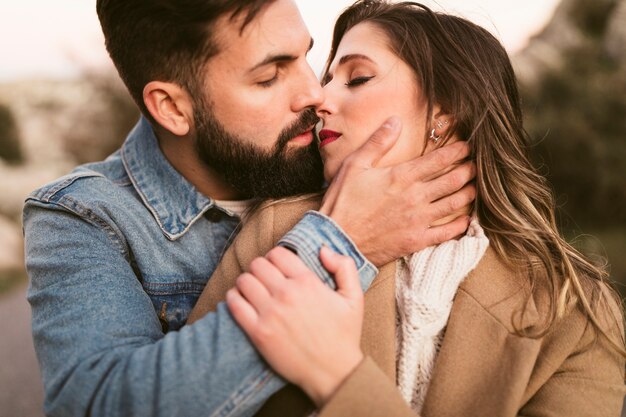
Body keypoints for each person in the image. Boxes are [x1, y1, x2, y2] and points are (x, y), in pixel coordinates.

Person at [23, 1, 476, 416]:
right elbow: (98, 406)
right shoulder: (83, 215)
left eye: (305, 58)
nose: (315, 95)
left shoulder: (343, 156)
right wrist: (340, 240)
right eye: (269, 77)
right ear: (173, 108)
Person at [189, 1, 626, 416]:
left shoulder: (576, 311)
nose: (320, 100)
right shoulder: (278, 230)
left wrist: (340, 380)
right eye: (328, 79)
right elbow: (181, 397)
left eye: (357, 78)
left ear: (445, 113)